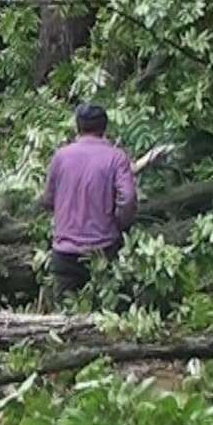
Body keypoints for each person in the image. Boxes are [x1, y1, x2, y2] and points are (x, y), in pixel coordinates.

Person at [40, 102, 137, 296]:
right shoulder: (116, 158)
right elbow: (128, 198)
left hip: (65, 252)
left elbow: (48, 199)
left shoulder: (61, 156)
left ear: (78, 126)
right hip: (103, 250)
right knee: (107, 318)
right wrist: (120, 224)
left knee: (64, 320)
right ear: (104, 127)